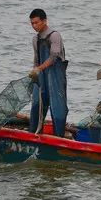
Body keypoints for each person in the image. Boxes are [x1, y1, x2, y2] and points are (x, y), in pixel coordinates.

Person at [28, 9, 68, 137]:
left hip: (56, 76)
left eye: (37, 22)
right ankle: (33, 133)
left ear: (44, 21)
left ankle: (59, 136)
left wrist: (39, 69)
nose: (34, 26)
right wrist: (34, 70)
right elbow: (36, 59)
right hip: (42, 77)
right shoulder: (35, 39)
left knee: (57, 108)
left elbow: (53, 58)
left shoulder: (54, 35)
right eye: (32, 23)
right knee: (36, 104)